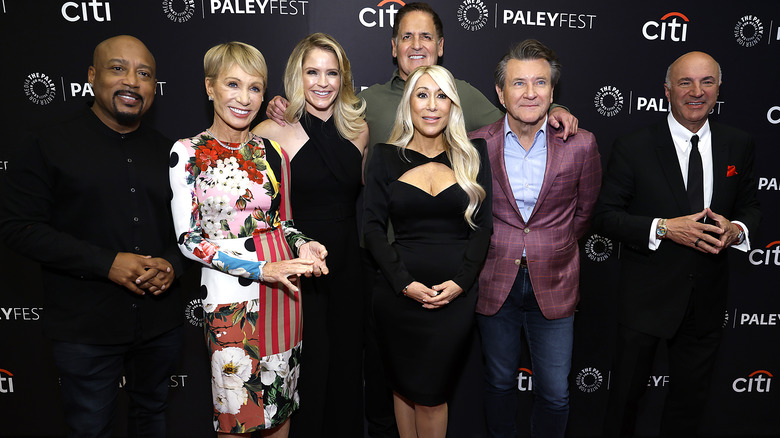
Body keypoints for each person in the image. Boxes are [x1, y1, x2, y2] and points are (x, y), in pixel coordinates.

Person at [264, 5, 579, 436]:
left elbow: (520, 103)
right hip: (383, 271)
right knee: (380, 381)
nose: (417, 46)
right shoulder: (364, 103)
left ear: (442, 46)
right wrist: (284, 101)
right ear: (393, 47)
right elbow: (320, 106)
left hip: (449, 278)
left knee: (433, 391)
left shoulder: (464, 96)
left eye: (426, 37)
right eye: (407, 37)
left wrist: (552, 105)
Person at [0, 35, 186, 437]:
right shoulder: (47, 143)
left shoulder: (171, 151)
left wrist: (173, 262)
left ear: (154, 87)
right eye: (118, 68)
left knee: (152, 418)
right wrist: (107, 264)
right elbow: (18, 227)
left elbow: (193, 231)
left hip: (160, 324)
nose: (132, 82)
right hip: (86, 327)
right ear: (92, 76)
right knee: (90, 428)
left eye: (144, 74)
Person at [594, 51, 760, 437]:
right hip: (645, 302)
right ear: (667, 91)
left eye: (707, 82)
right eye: (685, 82)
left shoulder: (739, 143)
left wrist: (736, 229)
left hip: (706, 300)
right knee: (624, 405)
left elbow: (751, 206)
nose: (696, 92)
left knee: (689, 408)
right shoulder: (633, 145)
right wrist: (666, 228)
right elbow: (604, 217)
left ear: (719, 89)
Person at [168, 41, 328, 438]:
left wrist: (305, 243)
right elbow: (189, 240)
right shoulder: (187, 152)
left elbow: (284, 222)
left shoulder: (272, 151)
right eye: (233, 84)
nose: (244, 98)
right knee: (235, 415)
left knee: (279, 409)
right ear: (210, 87)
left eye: (255, 87)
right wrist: (261, 269)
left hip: (284, 295)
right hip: (228, 301)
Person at [468, 39, 602, 438]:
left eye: (540, 83)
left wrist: (553, 246)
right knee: (498, 383)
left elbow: (584, 212)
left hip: (556, 281)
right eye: (518, 83)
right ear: (500, 92)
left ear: (553, 91)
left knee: (556, 393)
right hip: (494, 282)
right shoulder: (476, 144)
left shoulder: (581, 144)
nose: (530, 93)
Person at [363, 64, 492, 438]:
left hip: (453, 299)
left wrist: (461, 284)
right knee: (402, 389)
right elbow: (371, 229)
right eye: (422, 95)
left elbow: (483, 229)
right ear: (409, 103)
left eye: (442, 96)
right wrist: (404, 283)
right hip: (397, 297)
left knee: (432, 396)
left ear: (454, 105)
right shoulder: (385, 157)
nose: (432, 105)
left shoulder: (474, 155)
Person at [252, 33, 369, 438]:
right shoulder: (270, 128)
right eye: (312, 72)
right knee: (305, 363)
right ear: (296, 77)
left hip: (348, 263)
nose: (322, 82)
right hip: (298, 264)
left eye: (332, 73)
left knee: (346, 361)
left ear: (344, 78)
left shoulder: (359, 130)